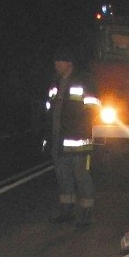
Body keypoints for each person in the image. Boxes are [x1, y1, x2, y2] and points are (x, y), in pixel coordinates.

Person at [44, 47, 99, 228]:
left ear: (69, 63)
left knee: (81, 175)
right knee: (63, 176)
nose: (56, 64)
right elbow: (49, 109)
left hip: (78, 139)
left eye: (60, 61)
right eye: (55, 61)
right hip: (58, 139)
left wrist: (80, 128)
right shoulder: (55, 82)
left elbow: (92, 107)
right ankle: (66, 211)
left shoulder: (84, 80)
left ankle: (86, 214)